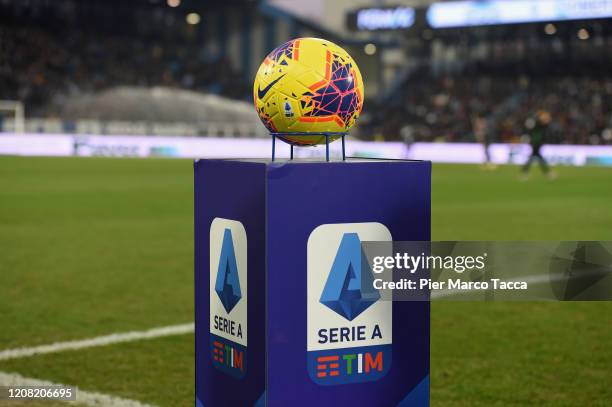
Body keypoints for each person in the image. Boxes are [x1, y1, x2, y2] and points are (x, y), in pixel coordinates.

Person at [522, 110, 556, 180]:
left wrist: (546, 119)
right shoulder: (537, 123)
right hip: (535, 142)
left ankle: (525, 172)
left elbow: (544, 124)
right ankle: (547, 173)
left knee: (535, 157)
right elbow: (540, 124)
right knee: (538, 157)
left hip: (537, 142)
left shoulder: (537, 123)